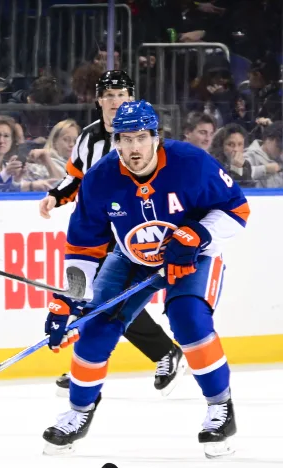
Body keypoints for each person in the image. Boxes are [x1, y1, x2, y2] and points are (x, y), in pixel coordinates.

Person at [42, 100, 249, 458]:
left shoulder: (190, 163)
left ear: (156, 137)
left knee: (188, 317)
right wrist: (72, 299)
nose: (134, 147)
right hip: (130, 257)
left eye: (141, 137)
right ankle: (77, 413)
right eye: (125, 139)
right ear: (115, 141)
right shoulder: (100, 179)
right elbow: (83, 247)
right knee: (94, 328)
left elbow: (237, 209)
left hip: (193, 256)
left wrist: (197, 235)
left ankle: (220, 409)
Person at [38, 70, 186, 397]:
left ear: (131, 99)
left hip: (135, 229)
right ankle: (92, 361)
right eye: (109, 96)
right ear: (99, 101)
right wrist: (55, 195)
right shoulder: (88, 138)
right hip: (98, 232)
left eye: (121, 95)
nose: (115, 101)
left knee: (110, 300)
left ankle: (159, 353)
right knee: (103, 299)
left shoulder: (145, 136)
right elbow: (75, 178)